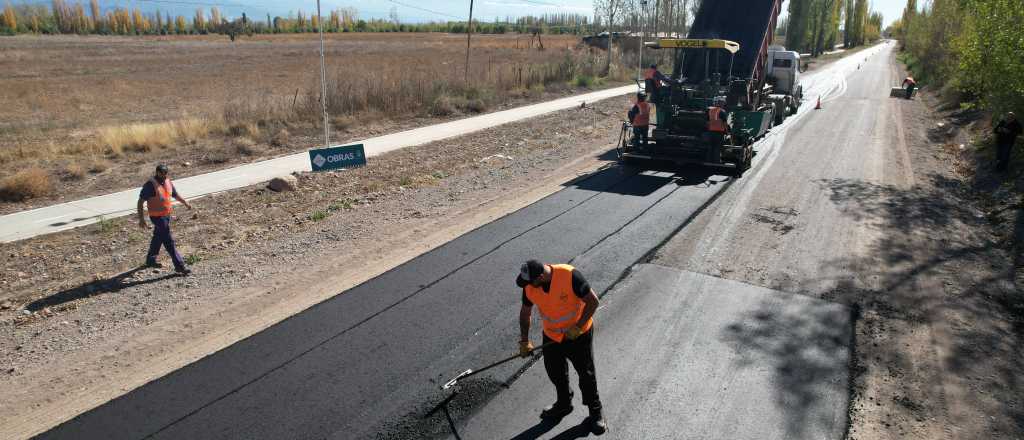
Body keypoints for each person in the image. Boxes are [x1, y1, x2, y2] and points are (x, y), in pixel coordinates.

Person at [517, 259, 606, 435]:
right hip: (551, 336)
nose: (527, 285)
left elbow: (593, 302)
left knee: (586, 374)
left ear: (540, 276)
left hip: (578, 335)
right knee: (555, 372)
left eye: (530, 282)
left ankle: (595, 411)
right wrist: (524, 341)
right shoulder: (529, 286)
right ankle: (564, 403)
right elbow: (525, 313)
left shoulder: (569, 275)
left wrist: (578, 327)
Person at [137, 164, 194, 275]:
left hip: (166, 215)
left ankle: (150, 260)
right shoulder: (150, 185)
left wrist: (185, 202)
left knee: (158, 237)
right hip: (157, 217)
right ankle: (180, 266)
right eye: (161, 173)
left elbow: (175, 194)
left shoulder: (168, 181)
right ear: (157, 172)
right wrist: (141, 219)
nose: (164, 175)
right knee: (168, 241)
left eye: (165, 173)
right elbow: (140, 202)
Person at [705, 97, 729, 163]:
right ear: (721, 104)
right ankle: (716, 161)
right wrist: (727, 132)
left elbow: (707, 122)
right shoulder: (722, 111)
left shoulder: (710, 111)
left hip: (711, 132)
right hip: (719, 132)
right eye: (723, 103)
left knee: (710, 146)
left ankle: (708, 160)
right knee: (717, 147)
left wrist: (709, 129)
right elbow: (725, 123)